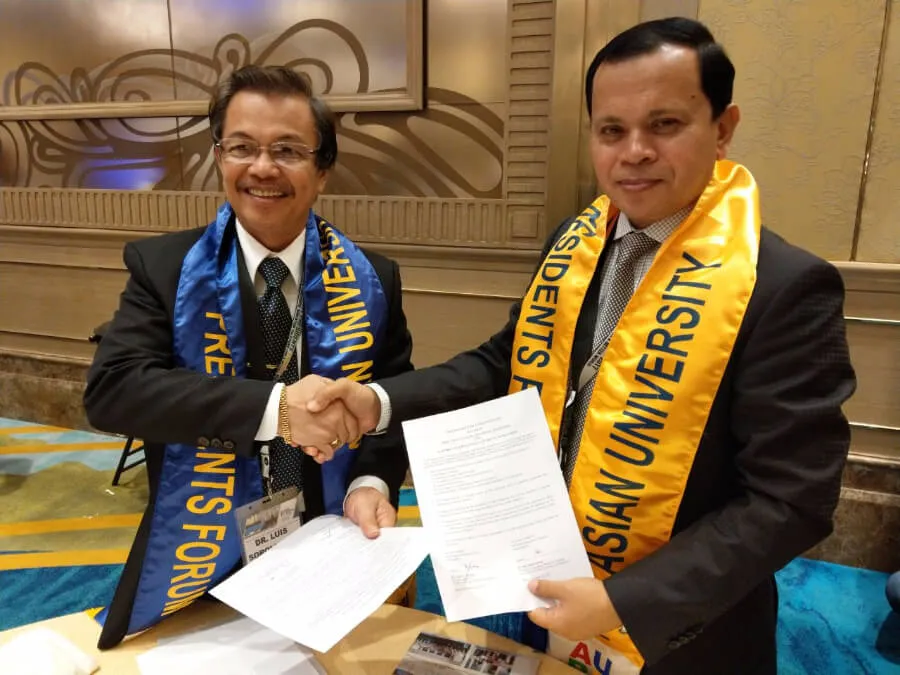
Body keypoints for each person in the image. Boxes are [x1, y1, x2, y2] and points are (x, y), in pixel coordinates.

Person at [305, 18, 856, 675]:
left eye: (665, 124)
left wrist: (624, 600)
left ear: (723, 127)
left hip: (676, 633)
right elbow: (503, 362)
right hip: (536, 587)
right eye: (611, 130)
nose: (635, 152)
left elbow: (789, 501)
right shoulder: (575, 245)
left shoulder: (783, 286)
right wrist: (378, 401)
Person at [83, 65, 413, 648]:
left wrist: (370, 482)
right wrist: (276, 410)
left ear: (322, 170)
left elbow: (390, 400)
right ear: (219, 157)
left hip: (332, 540)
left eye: (287, 150)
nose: (262, 168)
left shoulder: (373, 280)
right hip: (202, 550)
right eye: (241, 147)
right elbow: (114, 390)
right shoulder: (164, 269)